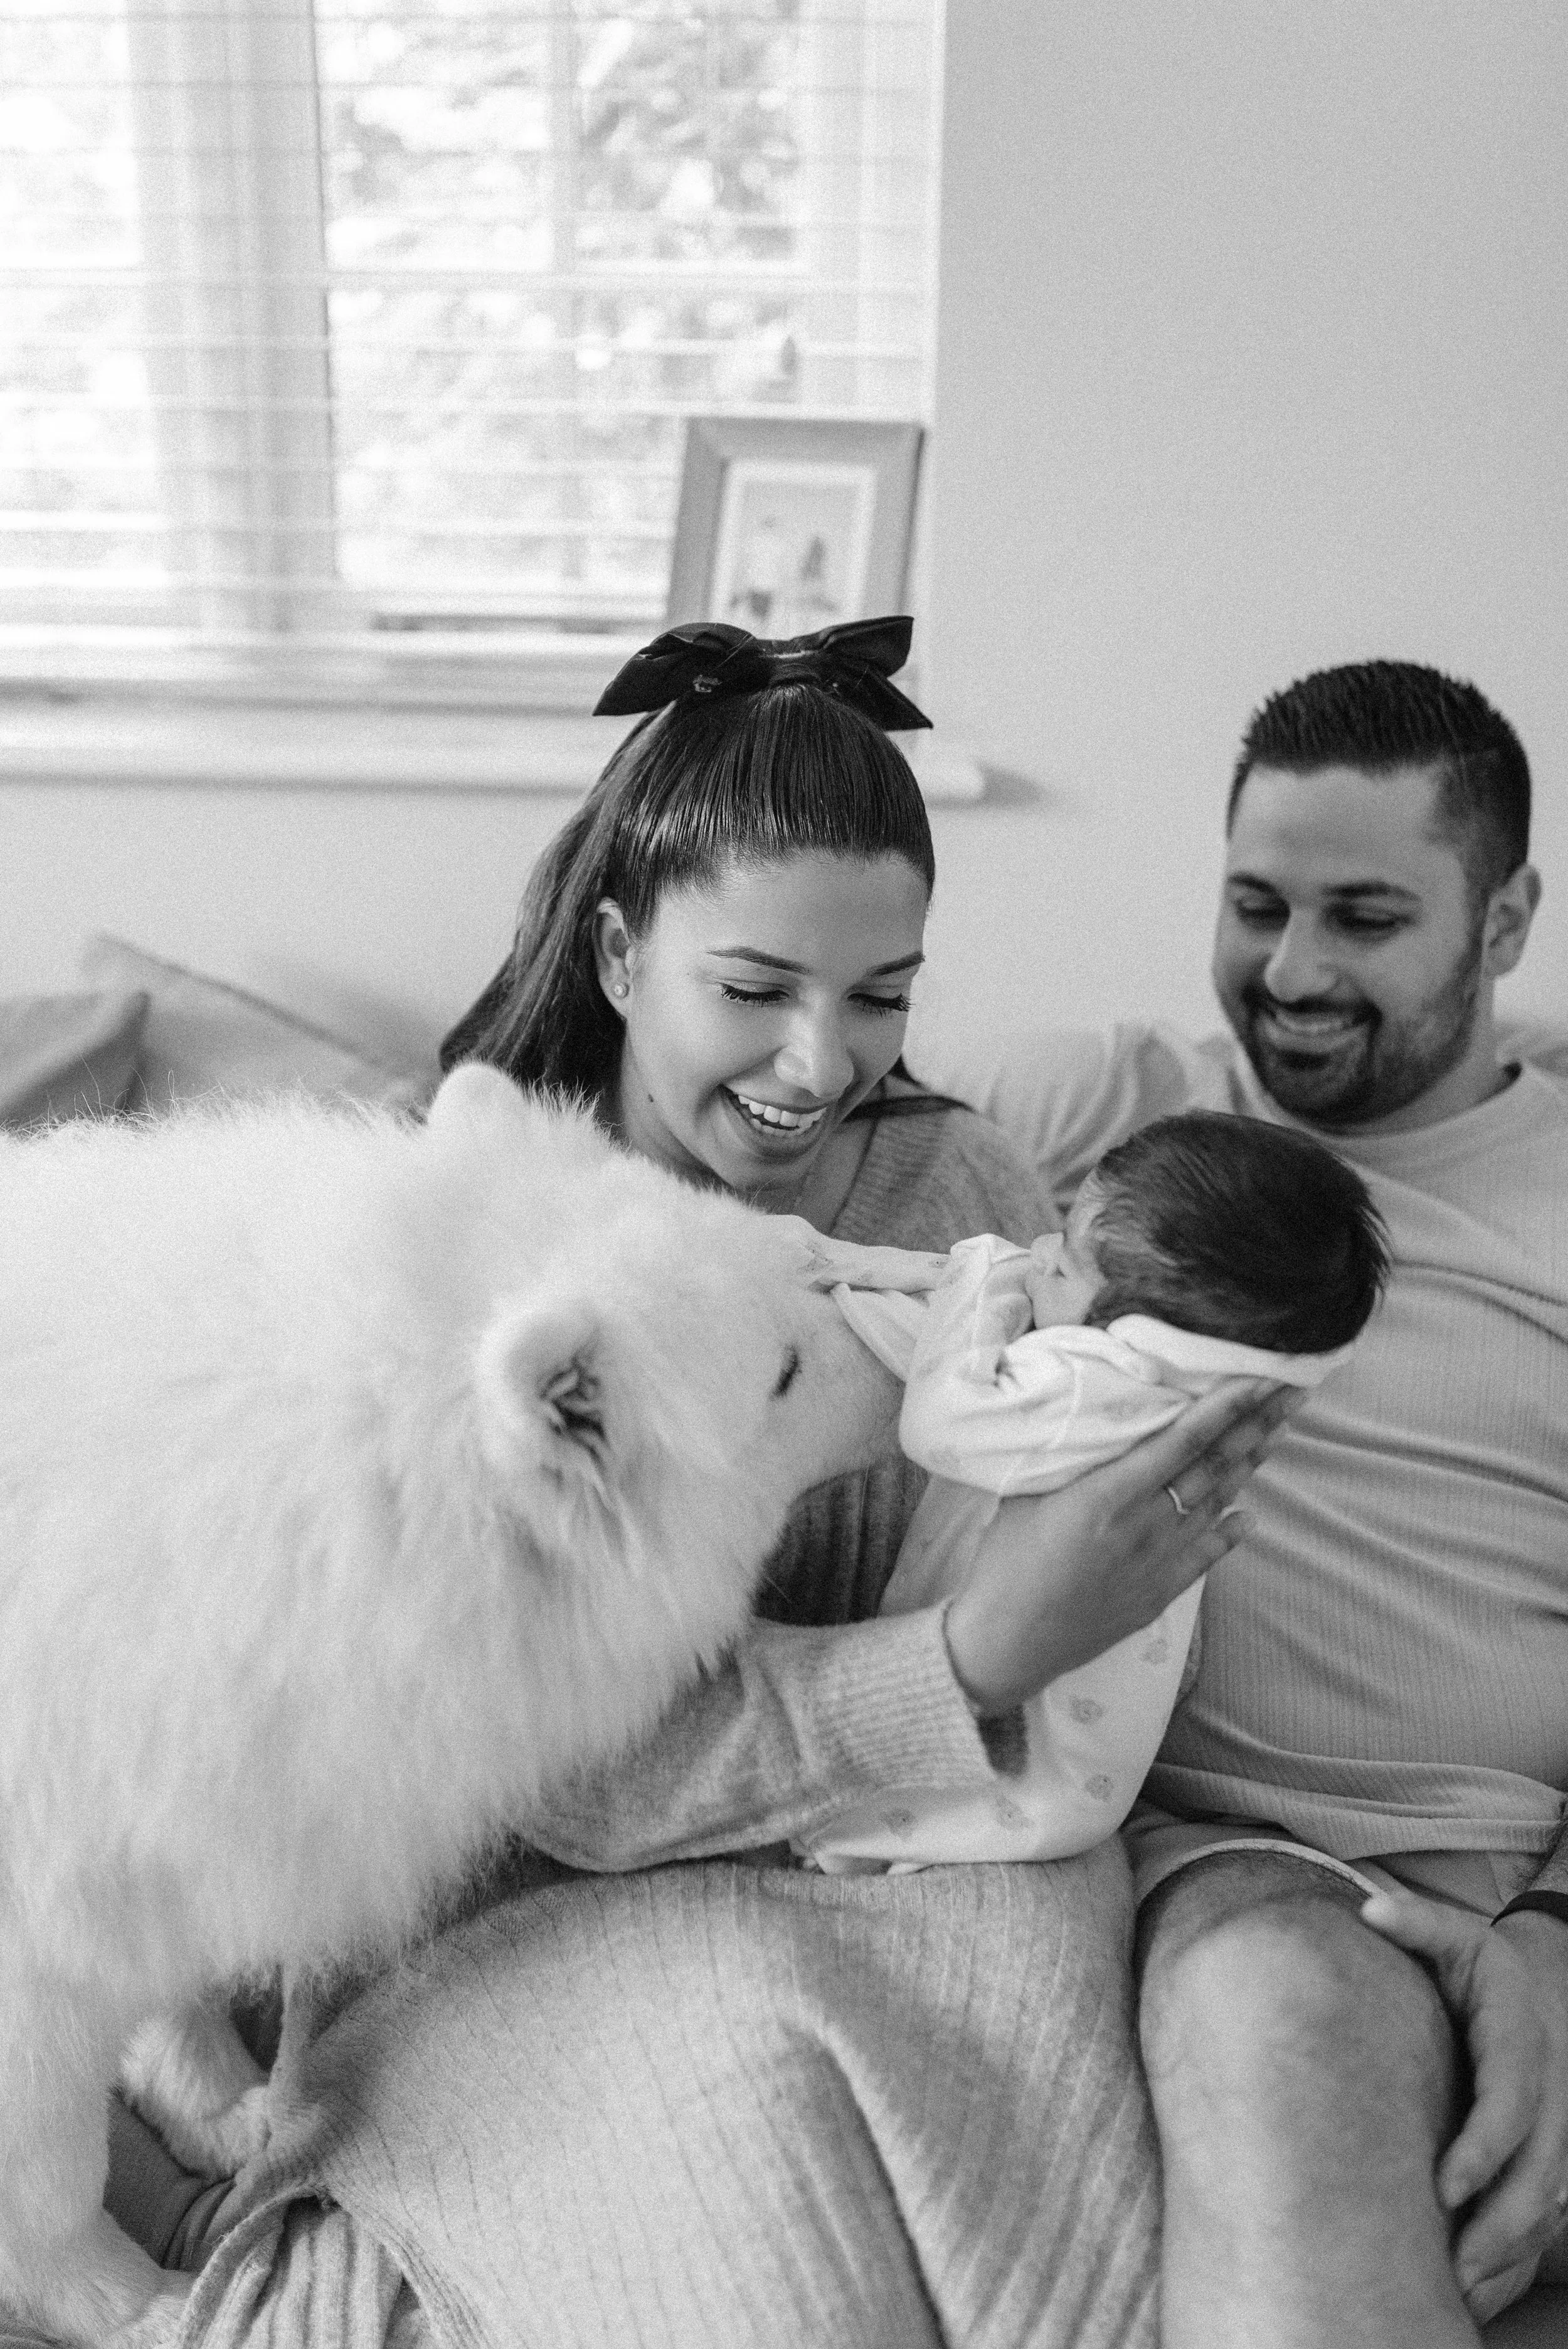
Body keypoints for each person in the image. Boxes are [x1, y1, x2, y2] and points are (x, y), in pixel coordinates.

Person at [101, 619, 1291, 2349]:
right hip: (554, 1906)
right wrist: (966, 1661)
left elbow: (1055, 1525)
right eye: (752, 990)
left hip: (922, 1866)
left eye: (880, 994)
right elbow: (549, 1782)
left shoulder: (962, 1180)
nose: (821, 1063)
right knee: (753, 2199)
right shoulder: (485, 1248)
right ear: (613, 948)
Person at [948, 659, 1568, 2345]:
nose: (1287, 974)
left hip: (1528, 1862)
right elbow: (746, 1109)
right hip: (1266, 1862)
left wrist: (1557, 1938)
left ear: (1503, 919)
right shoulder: (1107, 1116)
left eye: (1364, 918)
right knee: (1271, 2010)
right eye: (1254, 905)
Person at [794, 1111, 1389, 1875]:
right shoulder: (1197, 1382)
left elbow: (941, 1420)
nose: (1036, 1253)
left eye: (1066, 1263)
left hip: (1010, 1759)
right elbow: (912, 1327)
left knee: (850, 1825)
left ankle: (829, 1849)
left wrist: (982, 1272)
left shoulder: (1091, 1380)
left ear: (1149, 1322)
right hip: (1077, 1776)